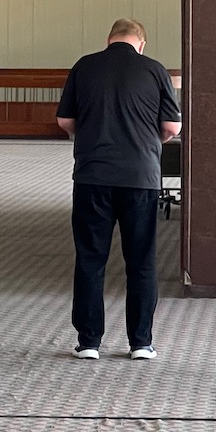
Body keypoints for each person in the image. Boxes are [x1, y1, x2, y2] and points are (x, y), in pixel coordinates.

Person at [56, 18, 182, 360]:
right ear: (141, 43)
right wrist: (148, 141)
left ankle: (89, 342)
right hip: (140, 178)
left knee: (90, 259)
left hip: (92, 176)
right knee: (141, 261)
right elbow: (171, 125)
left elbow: (65, 121)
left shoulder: (84, 66)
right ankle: (140, 342)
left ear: (109, 39)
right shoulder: (155, 70)